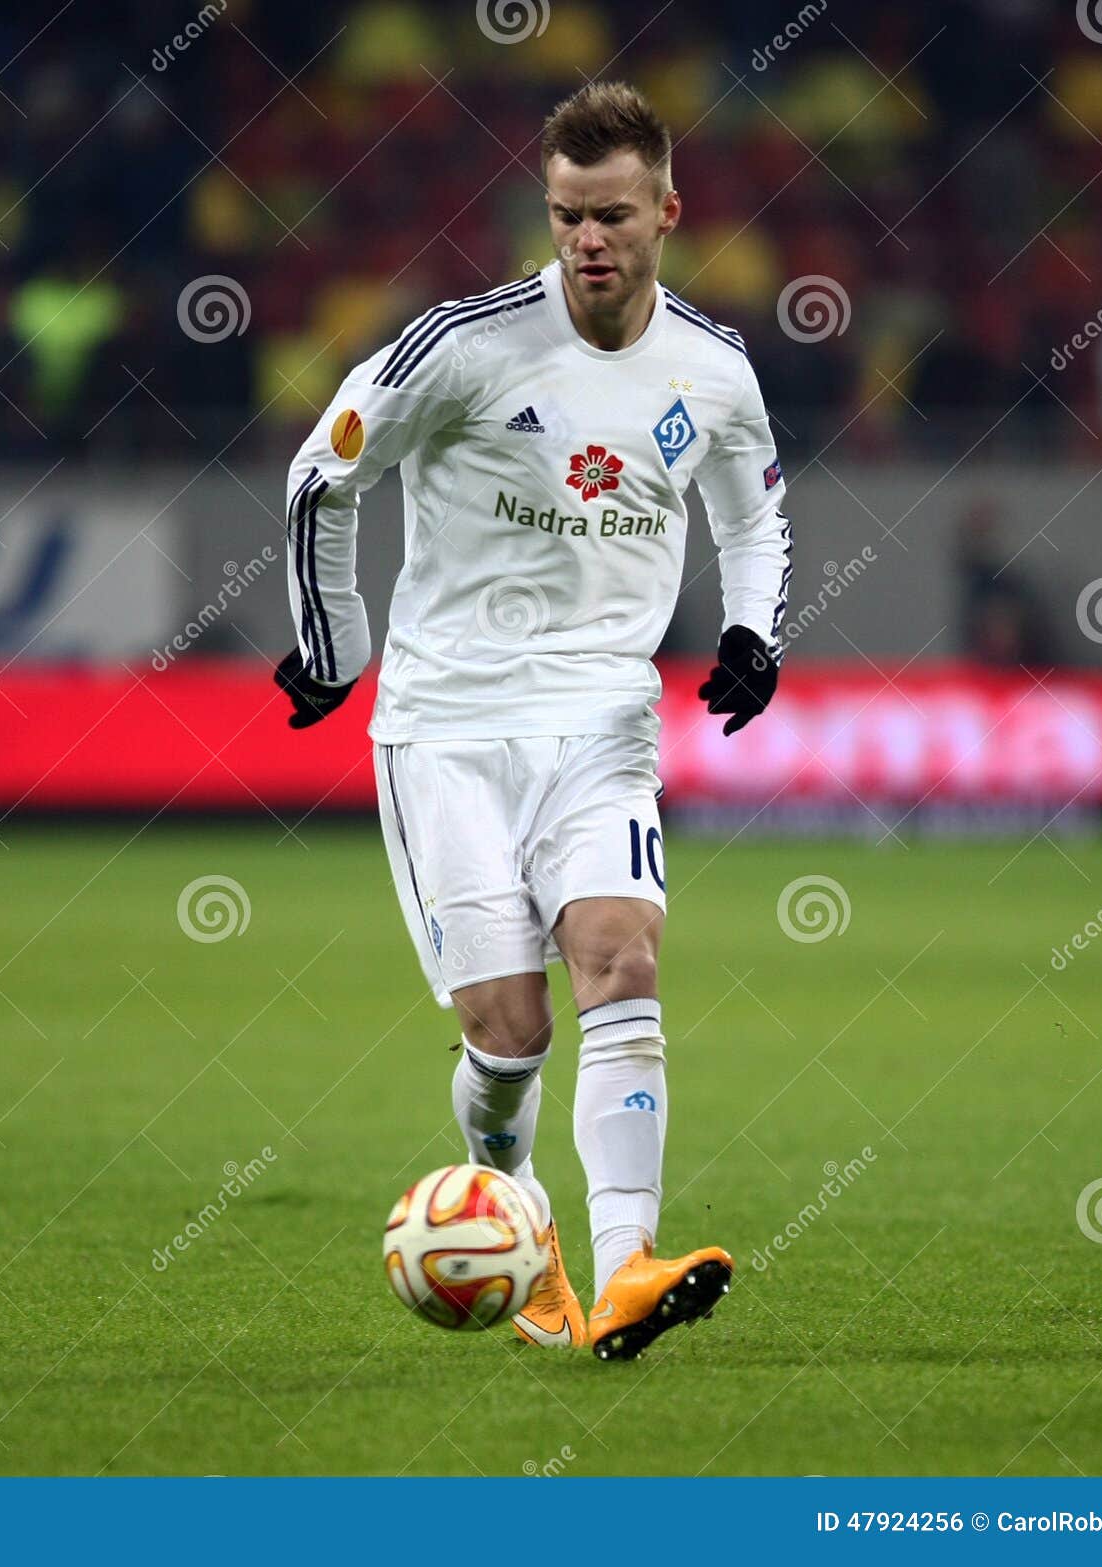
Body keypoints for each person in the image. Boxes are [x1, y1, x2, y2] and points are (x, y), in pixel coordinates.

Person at [274, 82, 791, 1361]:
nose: (586, 240)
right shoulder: (461, 349)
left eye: (611, 214)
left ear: (668, 210)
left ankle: (625, 1270)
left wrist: (752, 632)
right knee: (507, 1035)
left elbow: (754, 513)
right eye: (565, 216)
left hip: (602, 715)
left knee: (620, 954)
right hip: (444, 725)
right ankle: (527, 1228)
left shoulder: (713, 372)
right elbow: (322, 471)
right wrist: (334, 642)